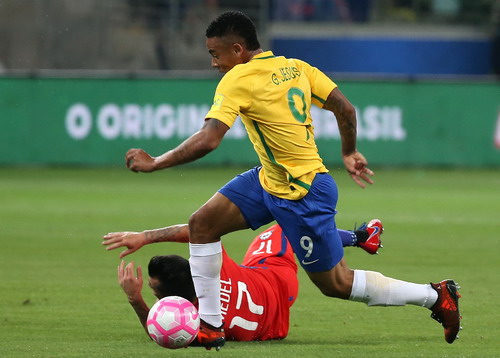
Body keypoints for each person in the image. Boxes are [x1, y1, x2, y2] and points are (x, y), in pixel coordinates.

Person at [123, 11, 461, 349]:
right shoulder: (298, 68)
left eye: (215, 54)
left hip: (303, 193)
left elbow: (209, 139)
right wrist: (349, 151)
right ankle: (211, 325)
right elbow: (346, 109)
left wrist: (156, 162)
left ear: (238, 50)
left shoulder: (237, 79)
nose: (214, 63)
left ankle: (434, 296)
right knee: (202, 225)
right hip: (270, 180)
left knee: (336, 284)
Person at [103, 220, 383, 342]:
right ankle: (361, 238)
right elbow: (195, 230)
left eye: (154, 290)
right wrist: (145, 236)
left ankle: (360, 239)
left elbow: (160, 332)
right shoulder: (211, 263)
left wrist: (135, 299)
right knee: (290, 227)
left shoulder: (196, 324)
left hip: (274, 322)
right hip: (276, 280)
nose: (152, 291)